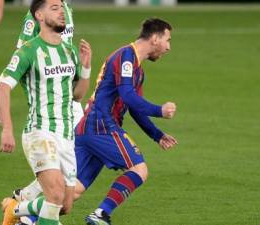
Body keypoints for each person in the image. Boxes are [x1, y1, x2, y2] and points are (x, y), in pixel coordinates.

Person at [14, 17, 178, 225]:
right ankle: (101, 214)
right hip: (101, 124)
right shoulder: (126, 57)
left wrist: (157, 134)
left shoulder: (137, 69)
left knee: (70, 196)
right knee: (139, 169)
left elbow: (134, 107)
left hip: (89, 127)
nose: (168, 47)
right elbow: (128, 95)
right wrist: (159, 110)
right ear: (155, 38)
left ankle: (24, 214)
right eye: (167, 40)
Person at [0, 0, 91, 224]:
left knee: (64, 205)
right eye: (55, 8)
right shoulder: (28, 51)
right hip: (40, 132)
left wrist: (86, 68)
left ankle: (15, 209)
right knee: (55, 196)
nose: (62, 12)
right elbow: (2, 87)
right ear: (39, 15)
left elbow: (78, 95)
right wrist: (6, 129)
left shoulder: (70, 51)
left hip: (66, 136)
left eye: (62, 8)